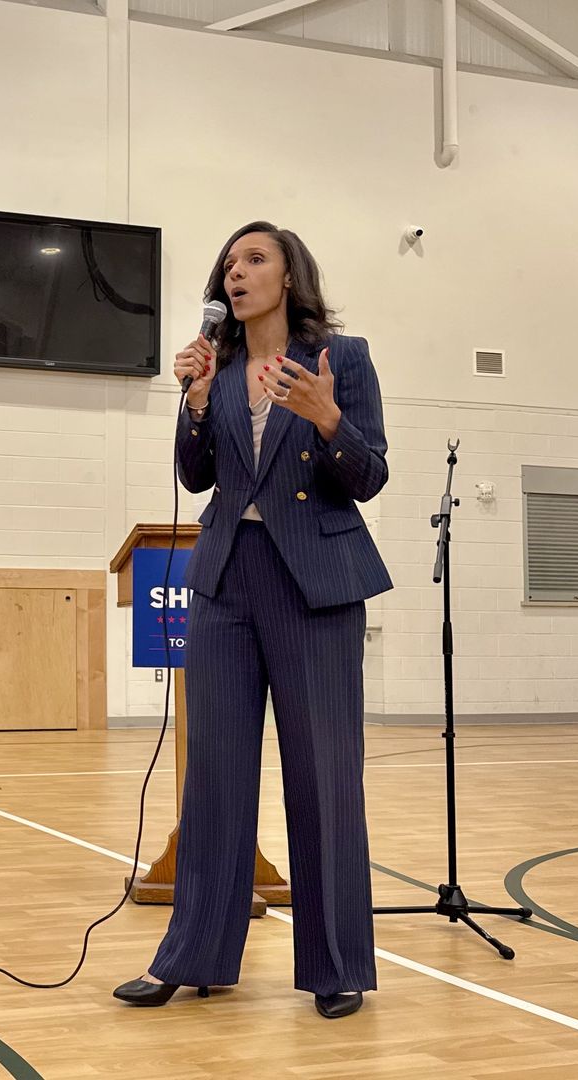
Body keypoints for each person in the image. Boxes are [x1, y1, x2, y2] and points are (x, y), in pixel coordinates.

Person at [112, 221, 393, 1019]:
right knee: (216, 780)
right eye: (229, 264)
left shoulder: (346, 358)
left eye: (255, 259)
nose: (237, 273)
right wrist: (195, 405)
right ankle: (195, 954)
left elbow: (369, 475)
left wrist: (329, 419)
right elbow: (195, 475)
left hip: (316, 583)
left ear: (289, 275)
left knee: (325, 778)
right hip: (228, 583)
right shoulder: (220, 368)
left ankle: (337, 965)